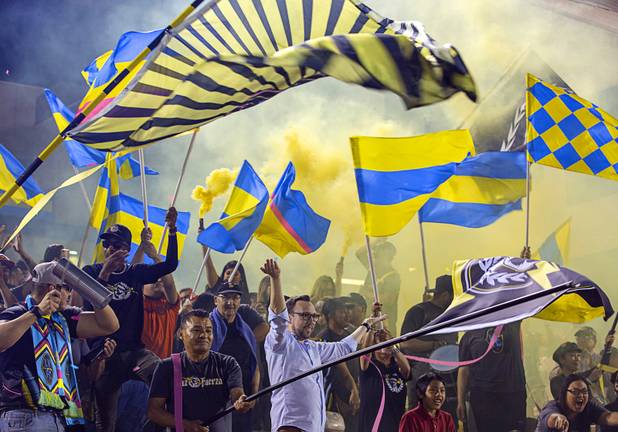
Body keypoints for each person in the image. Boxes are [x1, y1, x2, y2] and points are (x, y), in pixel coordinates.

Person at [82, 207, 179, 432]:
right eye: (107, 245)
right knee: (105, 424)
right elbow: (91, 307)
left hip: (134, 352)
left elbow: (170, 265)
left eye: (116, 245)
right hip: (103, 355)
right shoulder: (90, 271)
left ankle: (167, 424)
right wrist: (105, 273)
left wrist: (172, 231)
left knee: (162, 372)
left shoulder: (135, 273)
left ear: (126, 250)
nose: (110, 249)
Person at [261, 258, 384, 431]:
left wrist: (366, 325)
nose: (311, 321)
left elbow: (344, 348)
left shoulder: (314, 348)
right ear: (290, 317)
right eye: (305, 316)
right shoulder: (280, 343)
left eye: (314, 316)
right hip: (290, 427)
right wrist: (276, 279)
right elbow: (277, 320)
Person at [0, 262, 119, 432]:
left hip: (57, 417)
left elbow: (110, 325)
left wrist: (90, 292)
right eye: (67, 288)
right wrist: (36, 313)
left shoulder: (63, 319)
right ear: (52, 289)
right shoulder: (18, 312)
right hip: (23, 414)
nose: (71, 294)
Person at [147, 309, 252, 432]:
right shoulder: (166, 367)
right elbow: (153, 410)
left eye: (208, 331)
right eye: (196, 330)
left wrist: (241, 401)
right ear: (181, 334)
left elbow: (237, 394)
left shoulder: (228, 363)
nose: (203, 335)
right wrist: (186, 425)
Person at [210, 283, 266, 432]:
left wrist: (254, 392)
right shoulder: (207, 328)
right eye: (225, 297)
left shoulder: (246, 330)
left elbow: (254, 363)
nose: (231, 302)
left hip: (244, 399)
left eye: (235, 297)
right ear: (216, 300)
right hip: (216, 401)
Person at [400, 275, 456, 416]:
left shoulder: (453, 315)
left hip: (448, 380)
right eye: (453, 296)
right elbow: (405, 342)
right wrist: (434, 345)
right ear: (445, 295)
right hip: (421, 378)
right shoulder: (418, 312)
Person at [457, 322, 526, 432]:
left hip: (513, 392)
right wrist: (460, 401)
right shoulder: (469, 335)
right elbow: (463, 370)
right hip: (483, 397)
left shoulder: (512, 323)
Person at [319, 297, 361, 430]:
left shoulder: (350, 335)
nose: (347, 314)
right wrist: (352, 390)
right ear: (330, 315)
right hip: (331, 397)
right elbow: (339, 371)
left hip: (352, 395)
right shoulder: (324, 339)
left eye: (347, 310)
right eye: (342, 311)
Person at [359, 325, 410, 432]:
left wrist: (391, 344)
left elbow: (407, 370)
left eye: (386, 345)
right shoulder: (369, 367)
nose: (383, 350)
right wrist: (371, 329)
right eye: (379, 346)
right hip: (373, 425)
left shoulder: (396, 367)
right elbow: (364, 354)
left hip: (396, 423)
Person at [536, 374, 618, 431]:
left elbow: (607, 417)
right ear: (565, 393)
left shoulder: (588, 407)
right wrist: (559, 419)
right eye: (575, 392)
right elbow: (551, 417)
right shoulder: (552, 406)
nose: (581, 395)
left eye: (584, 392)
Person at [357, 239, 400, 329]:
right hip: (368, 321)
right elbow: (359, 253)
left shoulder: (393, 276)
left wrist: (366, 293)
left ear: (387, 256)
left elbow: (388, 299)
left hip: (384, 325)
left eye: (377, 254)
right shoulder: (372, 270)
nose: (374, 256)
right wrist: (377, 240)